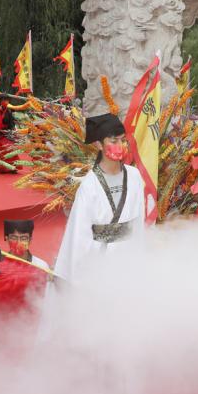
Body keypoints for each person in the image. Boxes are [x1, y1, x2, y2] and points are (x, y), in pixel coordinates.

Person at [52, 113, 145, 285]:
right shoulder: (89, 185)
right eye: (113, 141)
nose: (120, 146)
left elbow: (139, 221)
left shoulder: (134, 176)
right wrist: (77, 277)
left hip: (130, 256)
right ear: (99, 144)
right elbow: (79, 233)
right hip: (101, 261)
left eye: (123, 140)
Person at [0, 96, 20, 173]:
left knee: (11, 149)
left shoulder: (8, 111)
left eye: (7, 100)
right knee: (0, 152)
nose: (5, 102)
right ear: (0, 101)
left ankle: (13, 166)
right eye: (4, 100)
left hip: (6, 134)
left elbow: (11, 123)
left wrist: (11, 131)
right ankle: (2, 168)